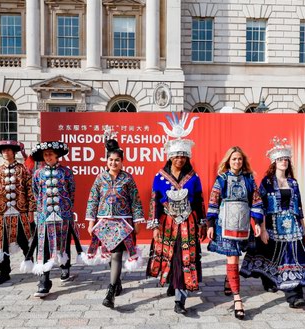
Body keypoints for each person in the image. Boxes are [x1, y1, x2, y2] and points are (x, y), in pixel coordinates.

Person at [240, 137, 305, 308]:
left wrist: (303, 227)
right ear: (274, 162)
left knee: (292, 257)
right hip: (273, 225)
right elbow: (261, 205)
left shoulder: (293, 183)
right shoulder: (267, 182)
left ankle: (294, 295)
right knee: (270, 255)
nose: (284, 162)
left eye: (286, 159)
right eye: (280, 159)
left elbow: (299, 205)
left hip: (293, 227)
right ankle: (268, 279)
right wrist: (263, 228)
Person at [146, 113, 206, 315]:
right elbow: (154, 201)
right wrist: (154, 226)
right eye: (176, 155)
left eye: (183, 155)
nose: (179, 159)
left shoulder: (193, 177)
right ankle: (173, 282)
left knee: (183, 257)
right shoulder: (159, 177)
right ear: (170, 156)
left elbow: (199, 201)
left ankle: (180, 299)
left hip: (188, 223)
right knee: (171, 257)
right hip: (166, 223)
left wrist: (203, 223)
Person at [81, 138, 145, 309]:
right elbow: (92, 200)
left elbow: (136, 201)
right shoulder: (100, 178)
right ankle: (116, 281)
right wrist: (90, 222)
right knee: (110, 253)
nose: (114, 162)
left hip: (123, 222)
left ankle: (110, 292)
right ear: (106, 161)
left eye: (117, 160)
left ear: (122, 162)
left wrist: (138, 221)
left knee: (116, 254)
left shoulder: (128, 179)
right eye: (111, 160)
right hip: (104, 222)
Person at [206, 146, 263, 319]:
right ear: (228, 161)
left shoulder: (249, 179)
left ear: (243, 161)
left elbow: (256, 201)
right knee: (233, 257)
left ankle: (228, 279)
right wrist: (210, 224)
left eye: (239, 159)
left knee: (237, 256)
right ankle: (238, 299)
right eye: (234, 159)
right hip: (225, 224)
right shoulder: (222, 179)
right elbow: (214, 201)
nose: (237, 162)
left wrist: (257, 222)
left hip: (244, 224)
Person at [21, 141, 75, 298]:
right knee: (43, 247)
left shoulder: (66, 172)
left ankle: (65, 266)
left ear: (57, 155)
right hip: (45, 215)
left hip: (63, 214)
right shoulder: (38, 174)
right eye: (45, 154)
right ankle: (44, 282)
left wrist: (66, 207)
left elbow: (72, 191)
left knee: (63, 242)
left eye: (51, 154)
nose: (48, 157)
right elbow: (36, 191)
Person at [0, 140, 36, 286]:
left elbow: (30, 190)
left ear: (14, 152)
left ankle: (31, 265)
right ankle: (4, 273)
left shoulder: (23, 169)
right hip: (2, 213)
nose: (6, 153)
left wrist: (31, 209)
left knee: (26, 240)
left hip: (22, 212)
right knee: (0, 244)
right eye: (4, 151)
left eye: (9, 150)